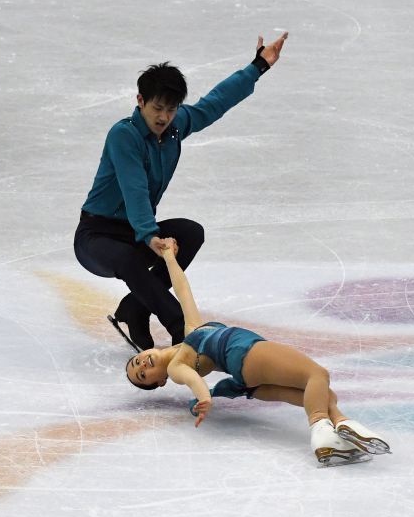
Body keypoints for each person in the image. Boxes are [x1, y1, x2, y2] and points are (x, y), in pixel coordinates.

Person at [74, 32, 290, 351]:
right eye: (158, 108)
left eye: (171, 109)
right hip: (97, 238)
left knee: (190, 233)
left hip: (136, 233)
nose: (163, 117)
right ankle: (183, 330)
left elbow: (215, 103)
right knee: (128, 258)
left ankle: (136, 307)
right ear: (140, 101)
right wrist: (149, 235)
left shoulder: (175, 126)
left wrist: (258, 66)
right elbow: (134, 190)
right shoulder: (124, 135)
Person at [125, 239, 392, 466]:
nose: (142, 365)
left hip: (246, 375)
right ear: (160, 381)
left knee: (322, 393)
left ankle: (339, 431)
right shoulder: (175, 367)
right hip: (242, 352)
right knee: (317, 375)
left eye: (137, 362)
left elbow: (183, 291)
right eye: (143, 375)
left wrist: (169, 256)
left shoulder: (190, 332)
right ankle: (322, 429)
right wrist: (203, 397)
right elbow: (191, 378)